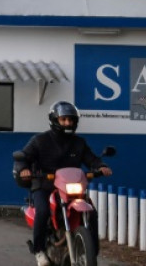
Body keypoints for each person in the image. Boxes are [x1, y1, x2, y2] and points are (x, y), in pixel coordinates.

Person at [14, 101, 112, 266]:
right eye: (64, 119)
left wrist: (101, 166)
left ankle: (91, 252)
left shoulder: (79, 143)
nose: (68, 123)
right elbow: (23, 157)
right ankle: (39, 250)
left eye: (71, 120)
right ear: (55, 120)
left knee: (91, 212)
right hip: (45, 185)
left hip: (70, 187)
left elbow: (91, 159)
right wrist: (23, 168)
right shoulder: (40, 140)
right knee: (43, 211)